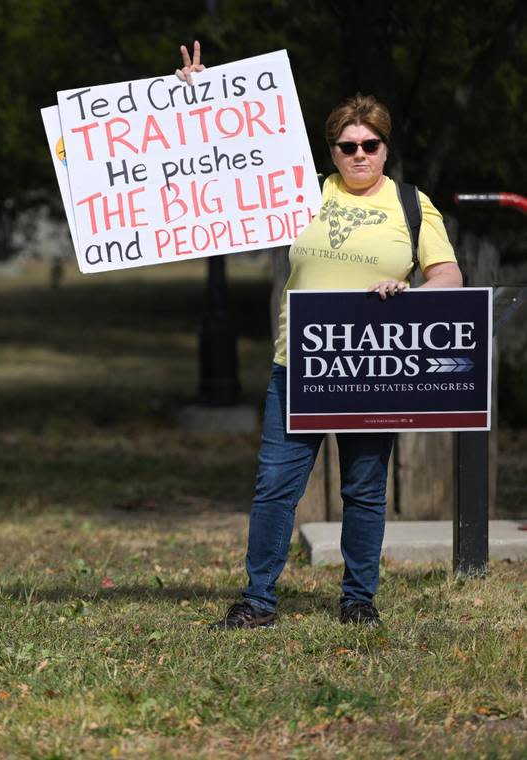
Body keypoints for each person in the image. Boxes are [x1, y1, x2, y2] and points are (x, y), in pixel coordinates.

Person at [172, 44, 465, 629]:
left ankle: (359, 598)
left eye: (370, 145)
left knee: (364, 488)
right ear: (331, 150)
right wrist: (198, 96)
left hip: (373, 368)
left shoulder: (411, 204)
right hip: (298, 366)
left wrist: (412, 296)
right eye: (347, 146)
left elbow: (448, 276)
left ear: (385, 147)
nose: (359, 155)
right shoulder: (299, 191)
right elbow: (223, 170)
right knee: (276, 486)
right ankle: (258, 600)